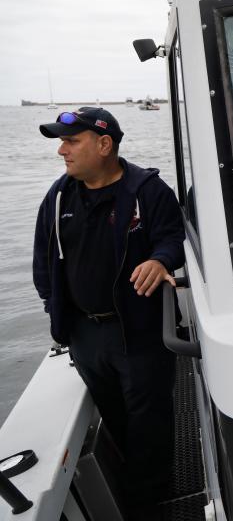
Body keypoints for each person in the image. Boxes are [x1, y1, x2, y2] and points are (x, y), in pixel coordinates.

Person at [33, 107, 185, 519]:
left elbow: (173, 238)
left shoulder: (148, 192)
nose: (62, 151)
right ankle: (136, 499)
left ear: (104, 145)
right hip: (86, 337)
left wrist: (161, 260)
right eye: (62, 142)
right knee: (118, 424)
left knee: (149, 426)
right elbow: (44, 267)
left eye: (71, 141)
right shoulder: (59, 195)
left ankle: (157, 506)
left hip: (140, 334)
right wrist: (59, 317)